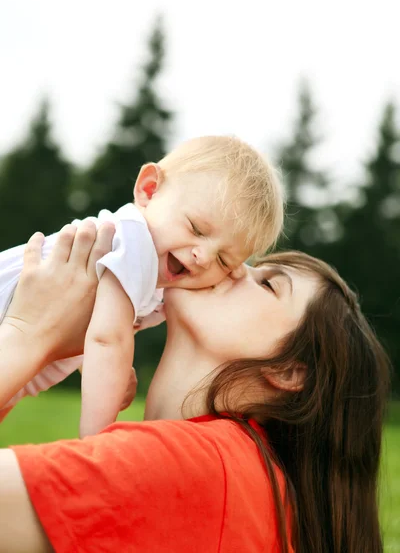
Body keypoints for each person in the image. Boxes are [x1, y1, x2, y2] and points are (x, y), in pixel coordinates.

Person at [0, 222, 390, 553]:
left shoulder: (195, 469)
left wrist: (25, 336)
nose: (236, 268)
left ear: (290, 371)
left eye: (269, 285)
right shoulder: (244, 472)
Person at [0, 135, 283, 437]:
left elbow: (93, 329)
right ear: (149, 190)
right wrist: (96, 442)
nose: (203, 257)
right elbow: (107, 340)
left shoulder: (154, 281)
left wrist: (105, 372)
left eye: (224, 261)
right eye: (196, 229)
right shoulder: (134, 239)